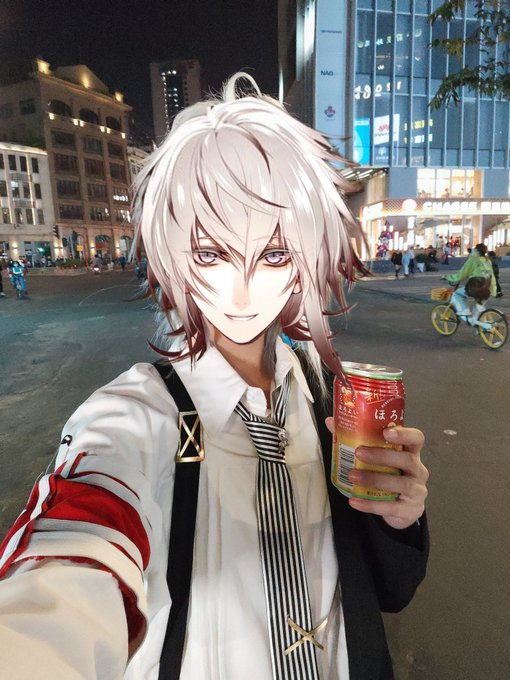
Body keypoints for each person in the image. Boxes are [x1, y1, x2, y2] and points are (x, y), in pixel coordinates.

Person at [0, 73, 429, 680]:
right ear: (171, 253)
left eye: (274, 254)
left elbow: (389, 591)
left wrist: (399, 517)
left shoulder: (326, 395)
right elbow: (76, 542)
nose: (244, 291)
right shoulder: (136, 414)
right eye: (210, 253)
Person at [445, 243, 497, 323]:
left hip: (475, 287)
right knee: (477, 311)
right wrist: (494, 290)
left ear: (476, 251)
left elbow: (462, 273)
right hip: (486, 288)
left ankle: (465, 310)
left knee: (457, 294)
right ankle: (481, 324)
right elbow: (492, 276)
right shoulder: (488, 261)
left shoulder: (473, 259)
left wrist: (448, 277)